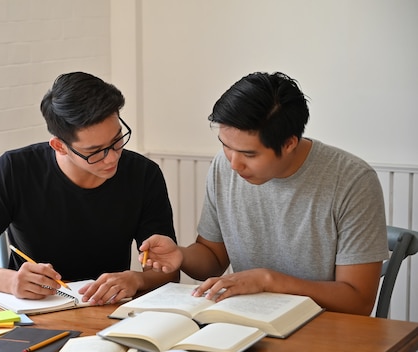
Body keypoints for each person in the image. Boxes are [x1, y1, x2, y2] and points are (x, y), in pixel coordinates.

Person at [140, 72, 388, 315]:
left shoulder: (352, 180)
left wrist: (269, 280)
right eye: (226, 146)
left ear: (289, 143)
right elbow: (213, 258)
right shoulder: (223, 166)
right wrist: (180, 255)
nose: (234, 164)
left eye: (249, 154)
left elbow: (358, 301)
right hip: (246, 321)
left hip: (323, 330)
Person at [0, 71, 178, 305]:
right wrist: (9, 280)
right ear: (59, 146)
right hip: (33, 311)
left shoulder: (144, 174)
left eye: (117, 141)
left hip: (107, 310)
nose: (111, 158)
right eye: (94, 152)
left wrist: (136, 279)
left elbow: (168, 270)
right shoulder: (16, 170)